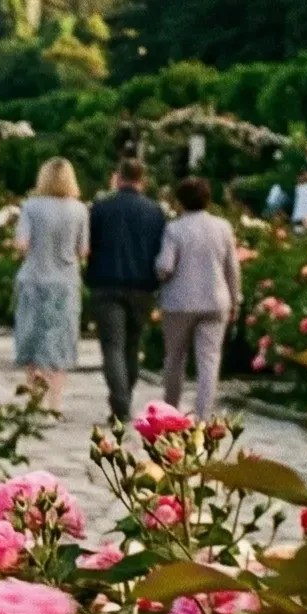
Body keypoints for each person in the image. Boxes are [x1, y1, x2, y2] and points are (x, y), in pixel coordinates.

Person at [84, 158, 166, 423]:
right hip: (142, 286)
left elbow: (90, 245)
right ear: (142, 180)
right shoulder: (155, 211)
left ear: (118, 177)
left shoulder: (100, 208)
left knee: (112, 347)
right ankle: (125, 396)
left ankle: (120, 402)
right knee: (132, 345)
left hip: (106, 283)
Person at [154, 175, 242, 416]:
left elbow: (165, 266)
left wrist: (157, 272)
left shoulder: (174, 229)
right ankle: (203, 415)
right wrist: (235, 299)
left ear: (180, 201)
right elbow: (232, 267)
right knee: (209, 360)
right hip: (215, 300)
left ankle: (171, 411)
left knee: (174, 359)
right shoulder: (223, 227)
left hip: (179, 303)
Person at [12, 157, 90, 416]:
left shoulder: (31, 206)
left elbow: (21, 243)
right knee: (59, 342)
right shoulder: (79, 210)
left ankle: (33, 402)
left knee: (33, 338)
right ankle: (55, 405)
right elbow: (83, 250)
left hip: (33, 279)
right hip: (65, 282)